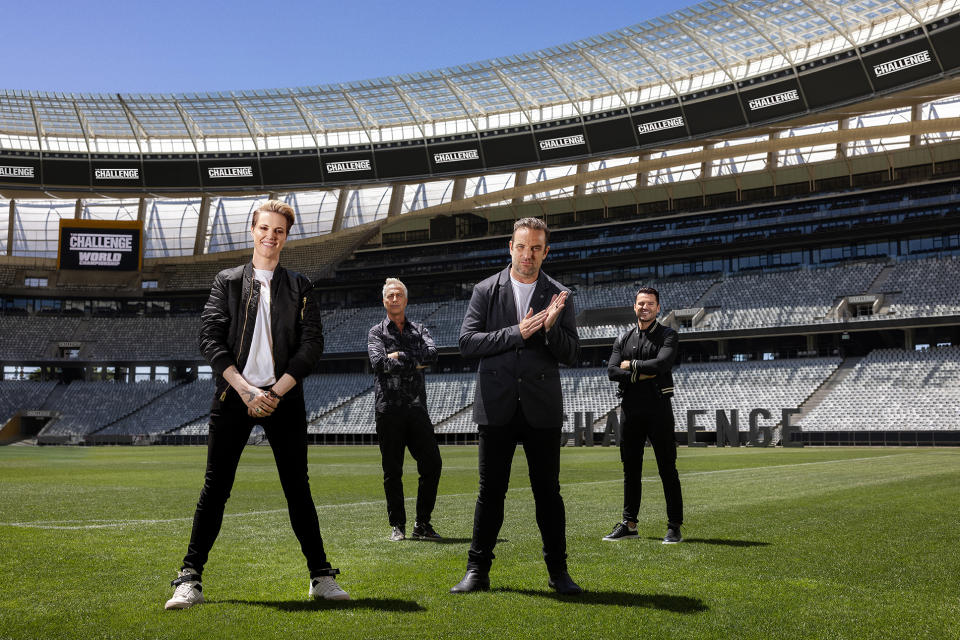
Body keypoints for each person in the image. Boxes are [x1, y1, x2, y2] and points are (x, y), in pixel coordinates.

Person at [165, 200, 348, 610]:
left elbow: (312, 345)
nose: (271, 236)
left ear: (286, 236)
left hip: (284, 397)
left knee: (297, 489)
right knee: (215, 489)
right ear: (253, 230)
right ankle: (189, 578)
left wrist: (275, 392)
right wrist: (247, 390)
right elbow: (210, 339)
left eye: (279, 231)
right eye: (265, 228)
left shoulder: (300, 285)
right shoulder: (227, 282)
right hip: (234, 397)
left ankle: (321, 576)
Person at [450, 217, 582, 595]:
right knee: (490, 493)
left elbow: (572, 354)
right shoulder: (484, 290)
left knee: (548, 494)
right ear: (511, 247)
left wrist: (550, 328)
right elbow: (467, 343)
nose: (528, 255)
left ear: (546, 251)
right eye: (522, 247)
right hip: (497, 406)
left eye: (536, 247)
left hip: (541, 407)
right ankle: (477, 571)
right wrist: (518, 332)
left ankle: (559, 572)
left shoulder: (560, 294)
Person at [602, 286, 683, 544]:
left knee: (667, 468)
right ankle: (629, 524)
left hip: (658, 408)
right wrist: (644, 373)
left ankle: (674, 526)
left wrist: (632, 366)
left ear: (658, 308)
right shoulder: (623, 339)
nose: (644, 307)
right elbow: (612, 371)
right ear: (634, 307)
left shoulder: (668, 335)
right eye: (640, 303)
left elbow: (662, 364)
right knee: (631, 469)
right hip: (630, 410)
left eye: (650, 304)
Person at [367, 277, 443, 542]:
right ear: (384, 301)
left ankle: (422, 524)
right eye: (390, 295)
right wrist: (413, 362)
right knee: (392, 470)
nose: (395, 299)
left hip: (416, 408)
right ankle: (397, 525)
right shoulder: (376, 332)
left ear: (406, 299)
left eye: (399, 294)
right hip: (388, 409)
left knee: (432, 464)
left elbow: (432, 355)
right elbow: (378, 362)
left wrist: (398, 357)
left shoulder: (419, 329)